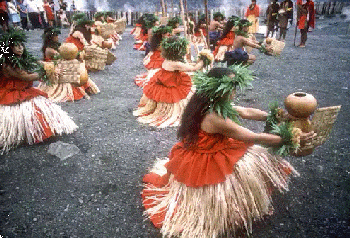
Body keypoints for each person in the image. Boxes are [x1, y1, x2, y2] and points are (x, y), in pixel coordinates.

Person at [141, 67, 314, 237]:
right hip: (206, 158)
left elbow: (245, 111)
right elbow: (253, 137)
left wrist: (274, 116)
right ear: (219, 89)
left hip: (214, 147)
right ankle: (219, 212)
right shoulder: (214, 118)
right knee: (254, 156)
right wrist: (287, 139)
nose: (234, 91)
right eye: (232, 87)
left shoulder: (211, 102)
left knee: (252, 160)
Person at [0, 29, 78, 154]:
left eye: (21, 45)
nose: (20, 48)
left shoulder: (22, 59)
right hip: (12, 93)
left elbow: (34, 63)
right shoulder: (7, 65)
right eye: (16, 46)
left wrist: (47, 67)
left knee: (38, 106)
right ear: (9, 48)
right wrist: (46, 71)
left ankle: (39, 131)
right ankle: (26, 133)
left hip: (23, 89)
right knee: (32, 108)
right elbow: (26, 77)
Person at [133, 36, 206, 128]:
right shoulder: (176, 64)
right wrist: (203, 61)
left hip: (164, 81)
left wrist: (195, 62)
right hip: (171, 84)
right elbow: (194, 69)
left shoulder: (168, 59)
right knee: (187, 93)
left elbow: (186, 65)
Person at [37, 27, 90, 102]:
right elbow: (62, 55)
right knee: (69, 70)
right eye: (56, 36)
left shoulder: (56, 46)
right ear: (51, 38)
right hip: (53, 67)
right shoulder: (49, 49)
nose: (57, 37)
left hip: (59, 64)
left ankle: (82, 87)